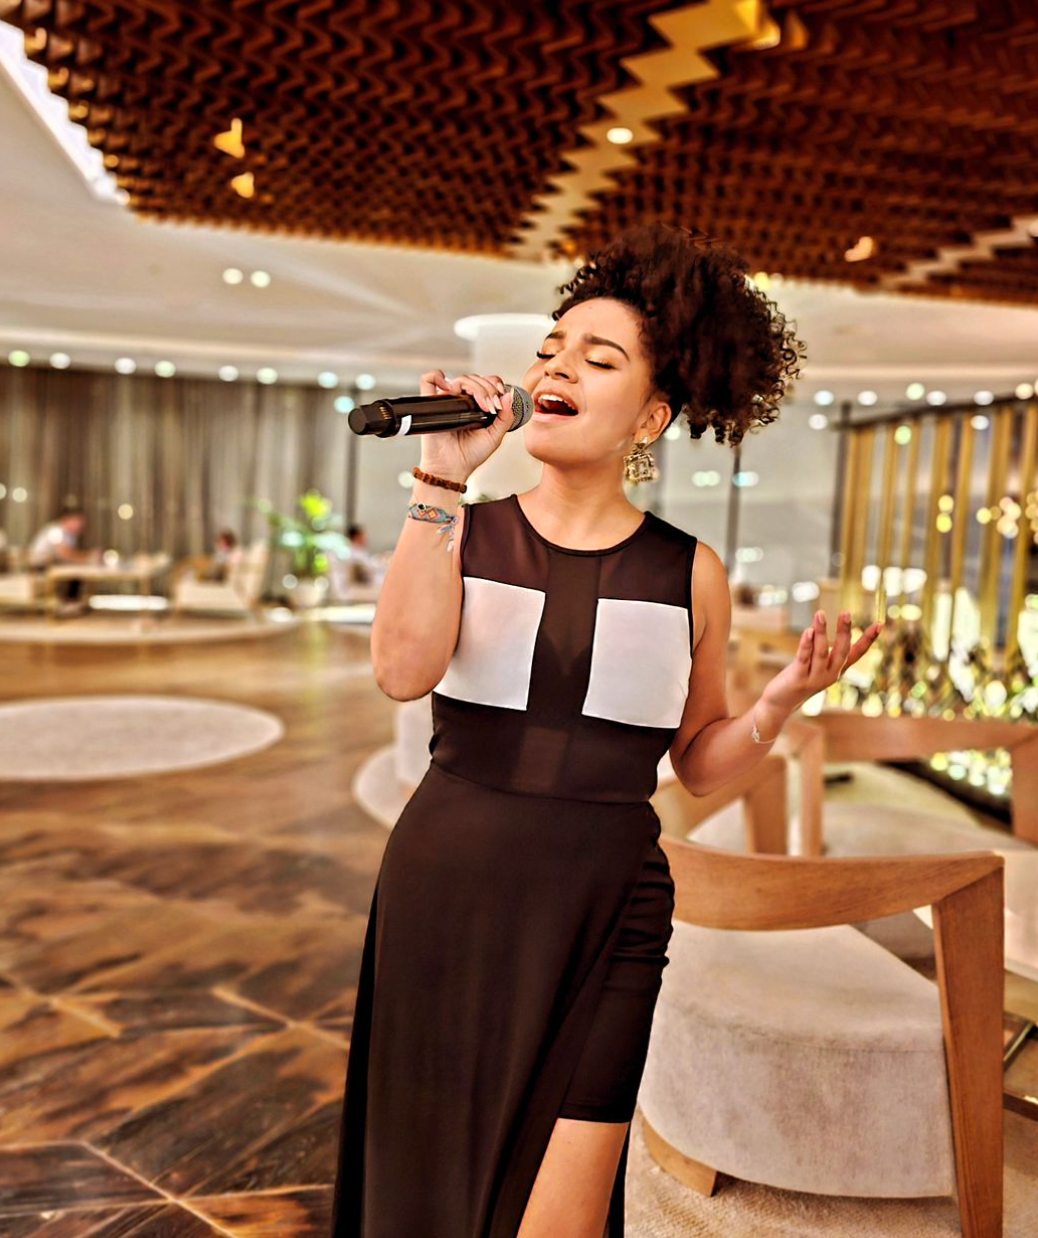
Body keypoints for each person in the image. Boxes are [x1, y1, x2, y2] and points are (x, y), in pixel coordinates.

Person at [330, 222, 882, 1238]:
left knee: (565, 1211)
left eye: (598, 357)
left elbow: (699, 764)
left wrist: (776, 706)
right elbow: (401, 671)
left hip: (611, 908)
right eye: (551, 349)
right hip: (445, 888)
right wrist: (441, 476)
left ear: (652, 415)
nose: (556, 367)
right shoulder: (465, 529)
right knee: (421, 1188)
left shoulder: (689, 571)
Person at [27, 503, 101, 616]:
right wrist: (88, 557)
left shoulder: (70, 536)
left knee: (77, 569)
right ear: (66, 519)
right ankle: (68, 604)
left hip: (54, 564)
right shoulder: (55, 530)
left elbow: (70, 555)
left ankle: (71, 602)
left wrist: (88, 557)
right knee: (75, 570)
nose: (80, 526)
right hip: (40, 566)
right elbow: (64, 553)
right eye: (78, 522)